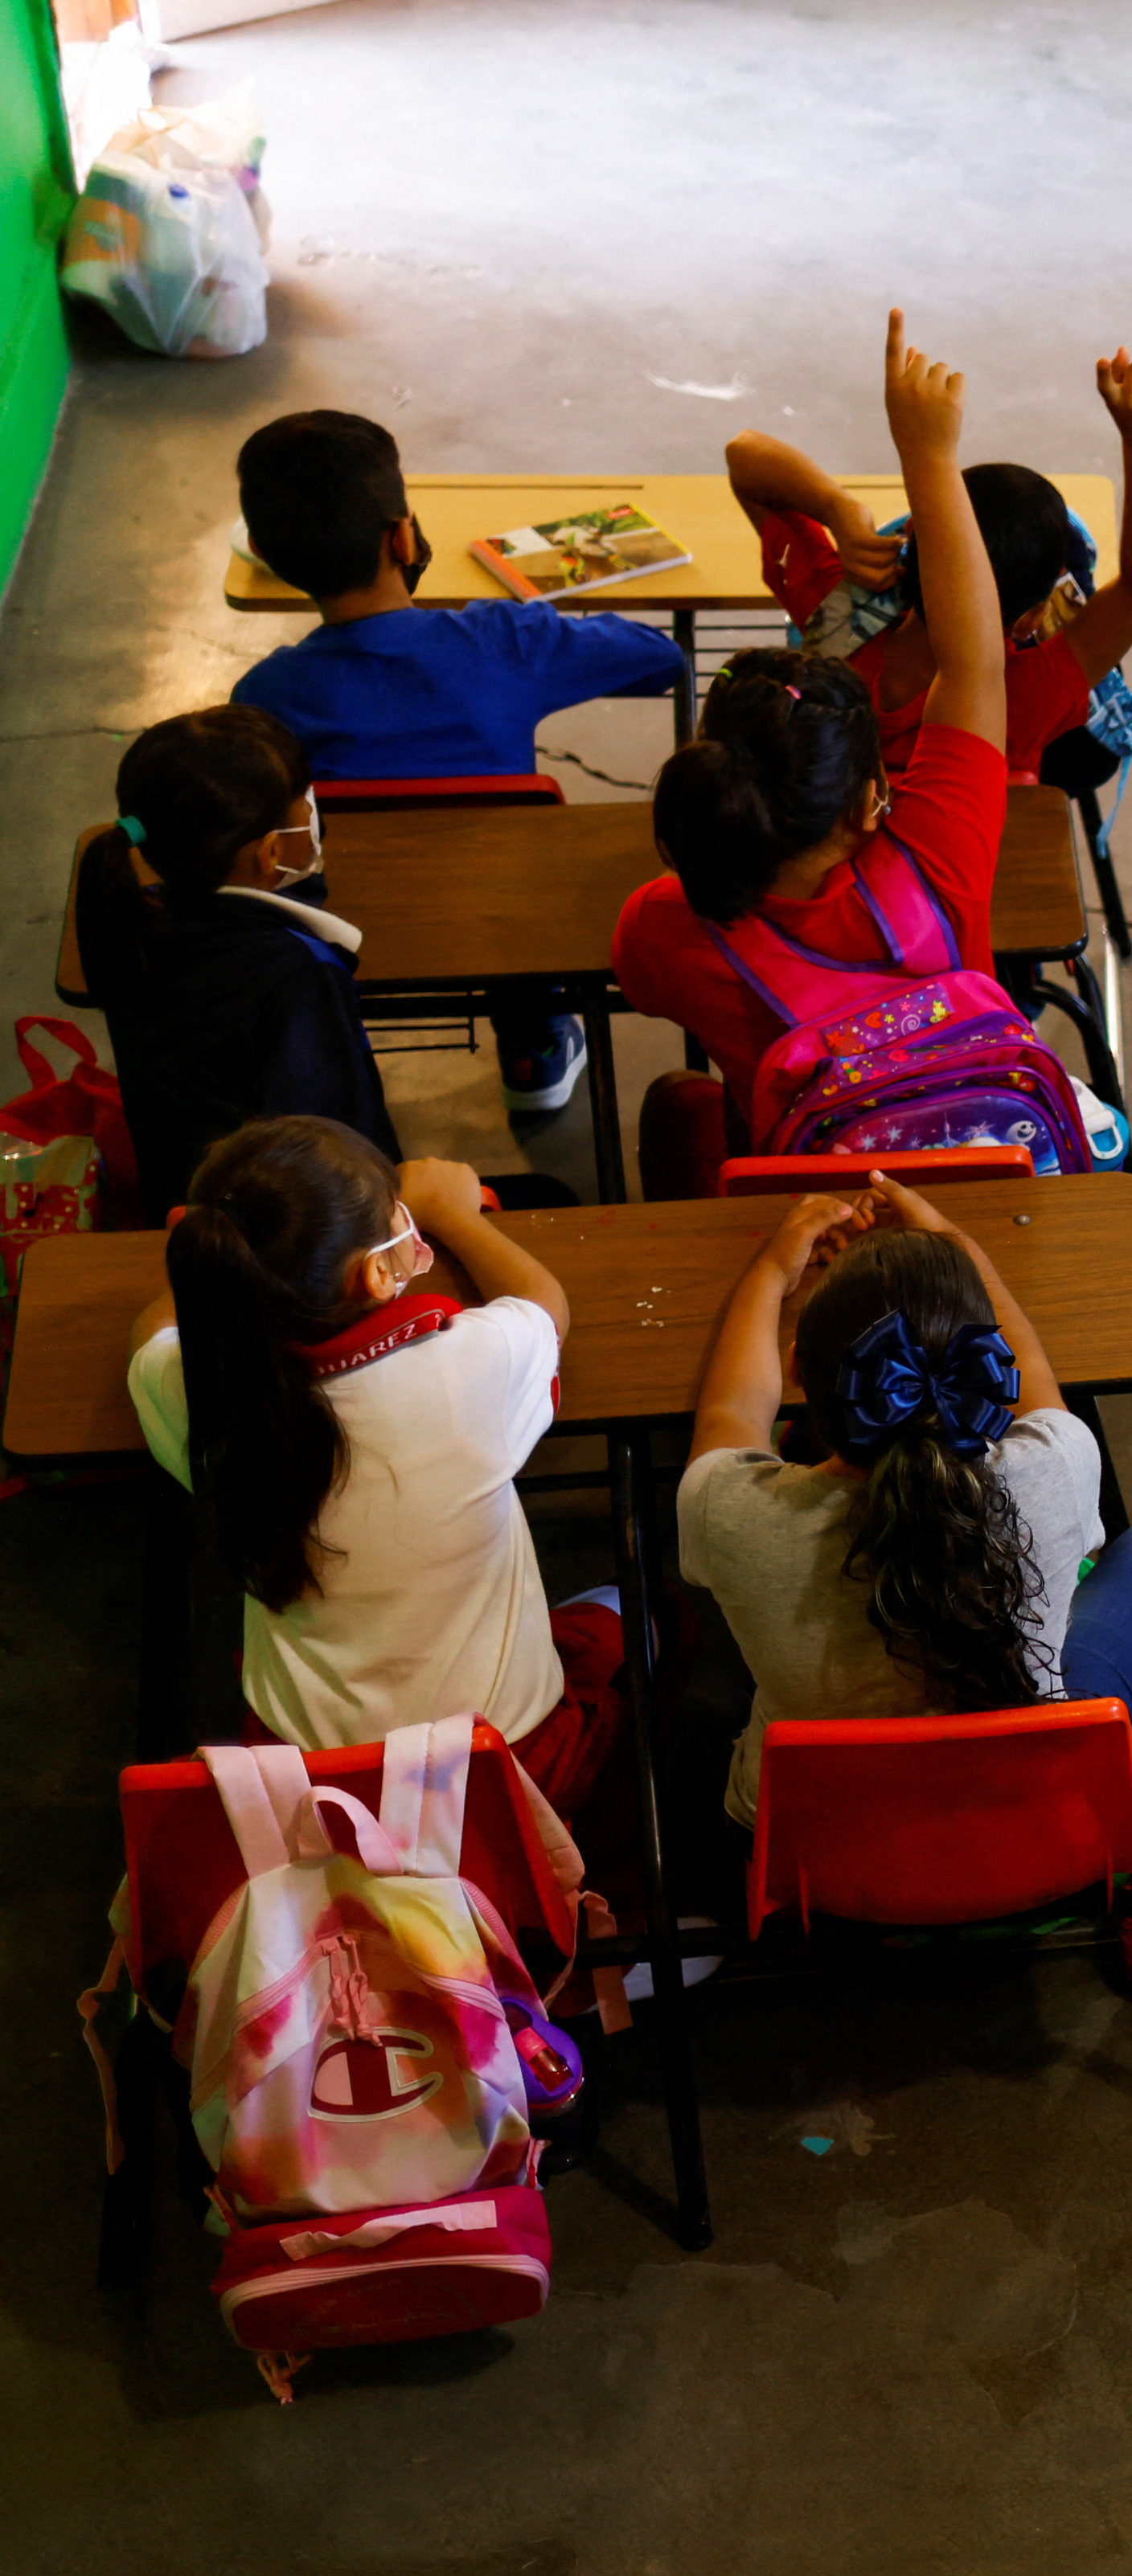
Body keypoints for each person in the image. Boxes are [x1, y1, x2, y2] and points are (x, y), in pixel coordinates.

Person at [679, 1170, 1132, 1982]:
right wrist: (954, 1243)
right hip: (1050, 1839)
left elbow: (731, 1416)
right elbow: (1030, 1360)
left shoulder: (728, 1513)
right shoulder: (1057, 1464)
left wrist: (771, 1267)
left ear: (798, 1369)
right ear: (985, 1374)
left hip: (819, 1868)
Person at [124, 1116, 630, 1815]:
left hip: (313, 1796)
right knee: (651, 1608)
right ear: (379, 1272)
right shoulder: (471, 1367)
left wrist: (209, 1259)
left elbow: (153, 1332)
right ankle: (588, 1859)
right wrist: (454, 1213)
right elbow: (545, 1307)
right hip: (506, 1778)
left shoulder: (195, 1388)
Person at [616, 308, 1008, 1197]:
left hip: (801, 1226)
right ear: (873, 798)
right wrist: (931, 456)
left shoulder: (665, 926)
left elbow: (643, 984)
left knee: (680, 1102)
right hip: (989, 1190)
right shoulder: (941, 859)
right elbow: (977, 659)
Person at [230, 408, 686, 1119]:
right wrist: (523, 621)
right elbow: (661, 659)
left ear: (263, 550)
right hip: (513, 926)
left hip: (355, 935)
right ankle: (535, 1052)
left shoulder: (262, 697)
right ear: (403, 537)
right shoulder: (505, 641)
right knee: (524, 875)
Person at [720, 344, 1132, 784]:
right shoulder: (1032, 691)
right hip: (962, 859)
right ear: (1030, 619)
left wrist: (838, 508)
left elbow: (744, 454)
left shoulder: (834, 610)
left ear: (908, 540)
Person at [72, 706, 398, 1208]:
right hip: (281, 1229)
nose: (314, 810)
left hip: (190, 1199)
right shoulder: (296, 975)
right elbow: (343, 1140)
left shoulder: (138, 918)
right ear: (270, 853)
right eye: (304, 802)